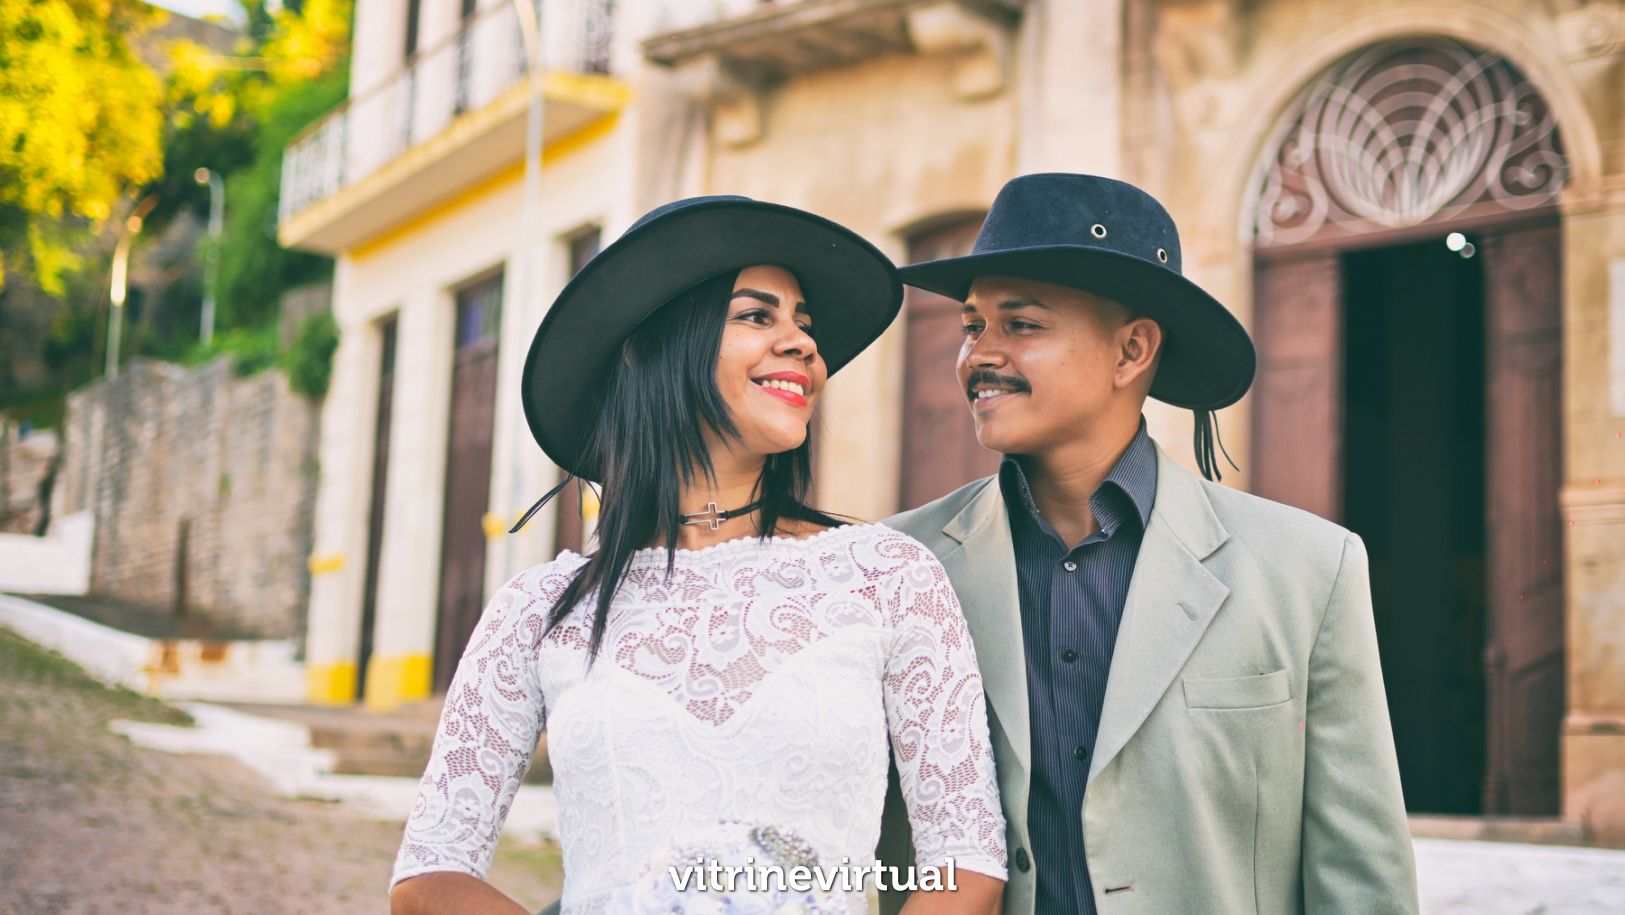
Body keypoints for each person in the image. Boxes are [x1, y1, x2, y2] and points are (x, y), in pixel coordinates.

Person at [387, 195, 1008, 915]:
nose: (803, 345)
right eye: (757, 316)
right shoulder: (541, 610)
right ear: (653, 348)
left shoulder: (886, 576)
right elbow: (428, 876)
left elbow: (967, 862)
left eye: (805, 324)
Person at [877, 173, 1419, 914]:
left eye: (1021, 324)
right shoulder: (896, 566)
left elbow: (1363, 876)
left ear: (1131, 350)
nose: (979, 354)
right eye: (972, 326)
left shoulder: (1309, 568)